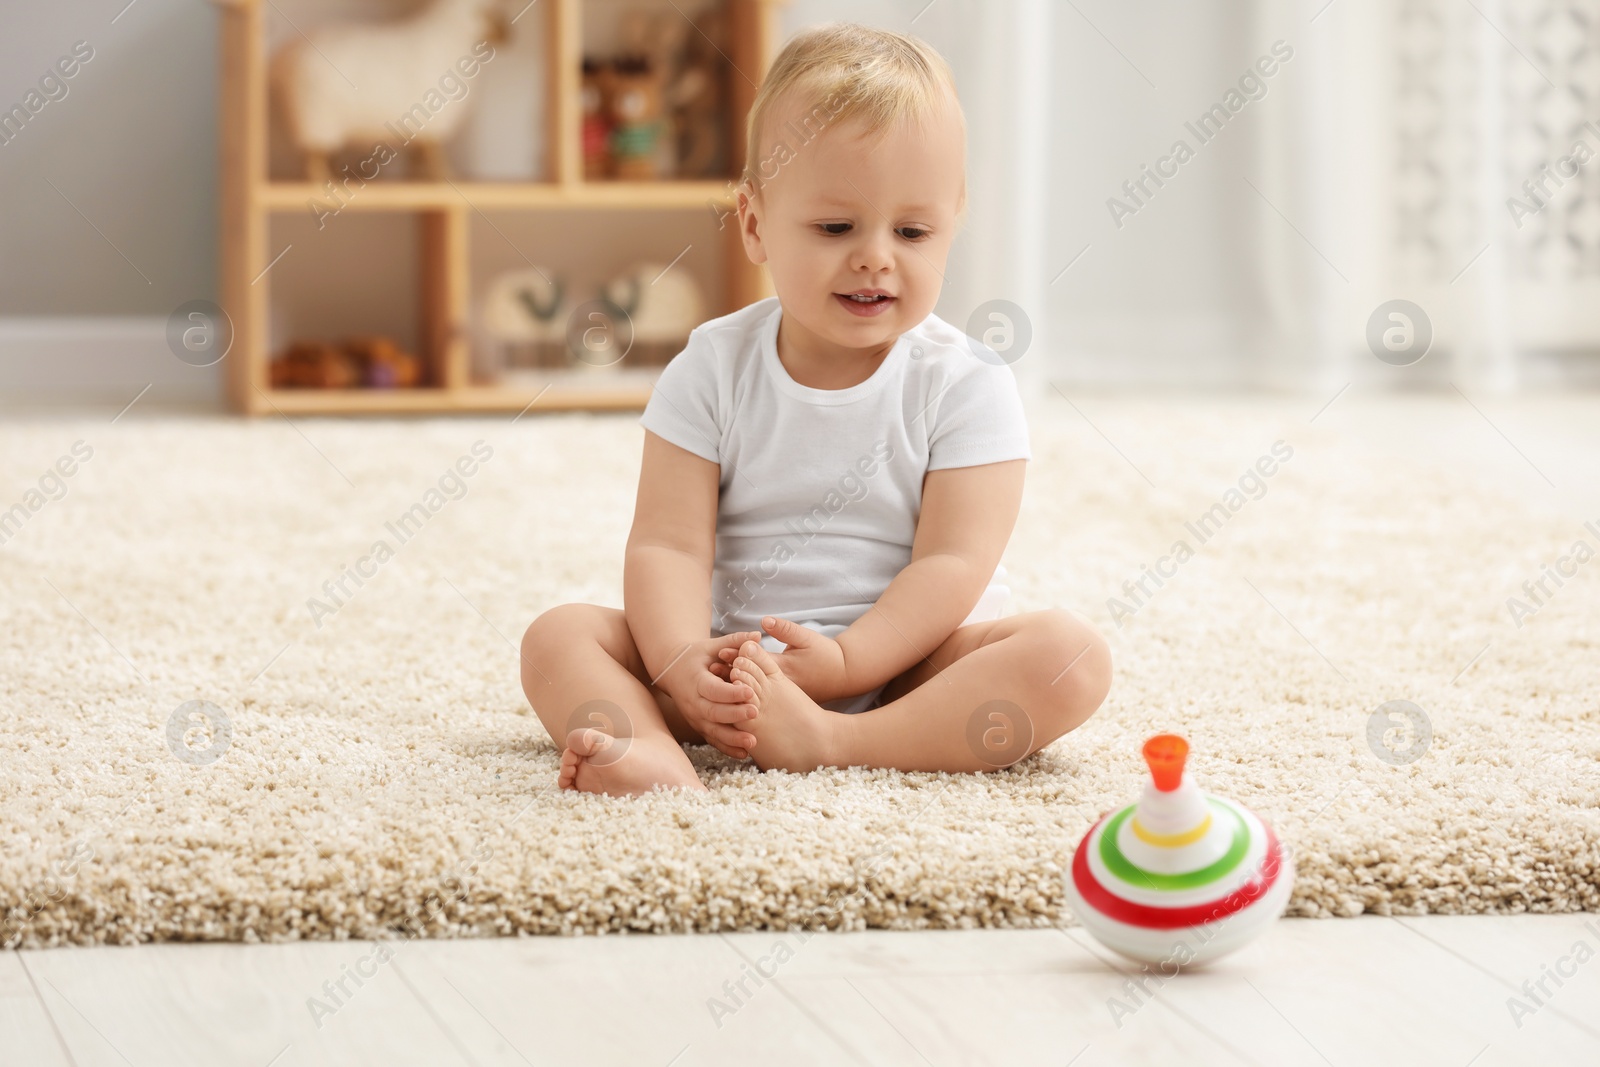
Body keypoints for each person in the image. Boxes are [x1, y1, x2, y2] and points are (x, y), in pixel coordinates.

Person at [521, 23, 1111, 796]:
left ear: (952, 225)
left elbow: (952, 562)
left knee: (1070, 655)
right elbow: (668, 545)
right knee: (558, 636)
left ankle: (838, 740)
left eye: (913, 230)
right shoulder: (711, 368)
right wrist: (680, 662)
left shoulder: (967, 381)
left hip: (907, 673)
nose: (875, 254)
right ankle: (658, 755)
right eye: (836, 227)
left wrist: (846, 665)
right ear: (756, 223)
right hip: (731, 667)